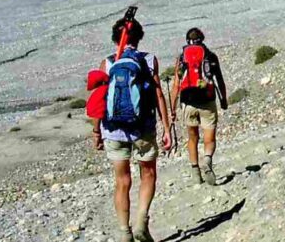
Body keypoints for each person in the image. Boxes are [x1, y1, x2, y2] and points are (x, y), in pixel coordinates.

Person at [91, 16, 173, 242]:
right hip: (143, 129)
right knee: (148, 174)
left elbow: (99, 99)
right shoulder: (148, 60)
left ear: (115, 38)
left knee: (122, 181)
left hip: (114, 130)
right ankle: (141, 222)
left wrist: (97, 131)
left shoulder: (107, 63)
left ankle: (124, 232)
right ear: (139, 37)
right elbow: (158, 94)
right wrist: (167, 128)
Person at [170, 27, 228, 186]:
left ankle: (196, 173)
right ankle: (207, 159)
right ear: (202, 39)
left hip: (188, 101)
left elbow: (176, 85)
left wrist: (173, 108)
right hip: (207, 100)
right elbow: (219, 81)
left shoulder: (182, 58)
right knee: (209, 137)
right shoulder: (210, 56)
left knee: (192, 137)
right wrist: (223, 100)